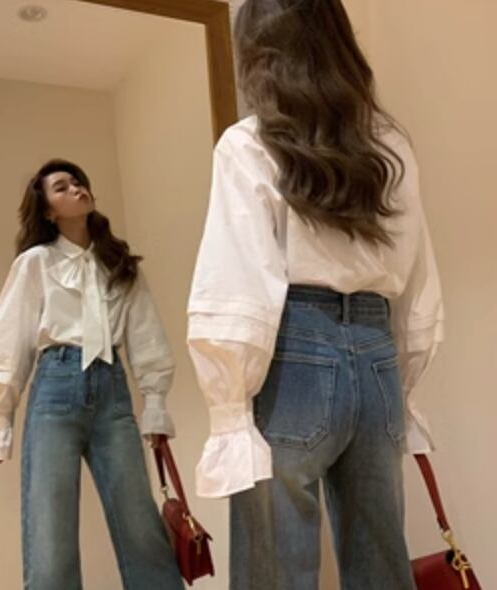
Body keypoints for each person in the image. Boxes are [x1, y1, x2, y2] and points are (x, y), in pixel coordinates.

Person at [187, 1, 443, 589]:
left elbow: (236, 287)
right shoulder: (388, 145)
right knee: (382, 565)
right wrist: (401, 384)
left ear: (259, 50)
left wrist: (229, 412)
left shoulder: (250, 143)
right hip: (378, 355)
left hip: (293, 354)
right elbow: (418, 277)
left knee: (275, 572)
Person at [0, 159, 184, 590]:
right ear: (48, 211)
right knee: (49, 532)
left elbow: (146, 335)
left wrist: (155, 404)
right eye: (61, 187)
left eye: (78, 182)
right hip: (54, 391)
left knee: (140, 526)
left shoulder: (119, 262)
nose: (75, 188)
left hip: (113, 393)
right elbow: (9, 334)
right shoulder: (36, 262)